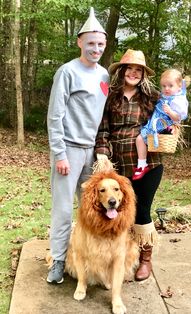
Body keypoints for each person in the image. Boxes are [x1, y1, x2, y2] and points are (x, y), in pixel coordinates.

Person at [46, 7, 109, 284]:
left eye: (100, 44)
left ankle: (90, 259)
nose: (96, 48)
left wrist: (101, 151)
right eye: (91, 43)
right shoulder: (67, 72)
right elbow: (55, 115)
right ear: (80, 42)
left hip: (92, 152)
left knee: (92, 208)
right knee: (63, 209)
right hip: (68, 150)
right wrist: (60, 153)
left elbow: (102, 114)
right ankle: (58, 262)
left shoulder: (105, 75)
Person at [95, 49, 163, 281]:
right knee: (120, 212)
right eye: (129, 69)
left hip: (149, 164)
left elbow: (170, 115)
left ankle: (145, 259)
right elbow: (102, 130)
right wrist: (102, 156)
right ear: (122, 71)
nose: (133, 73)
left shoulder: (152, 97)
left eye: (138, 70)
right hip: (119, 166)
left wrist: (171, 126)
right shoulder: (110, 97)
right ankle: (123, 257)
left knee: (141, 209)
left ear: (143, 74)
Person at [133, 68, 189, 180]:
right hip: (155, 123)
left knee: (139, 139)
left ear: (179, 87)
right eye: (164, 86)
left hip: (162, 124)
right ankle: (142, 164)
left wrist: (170, 112)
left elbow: (178, 118)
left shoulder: (177, 100)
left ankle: (142, 164)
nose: (166, 89)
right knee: (142, 137)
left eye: (170, 86)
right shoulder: (164, 97)